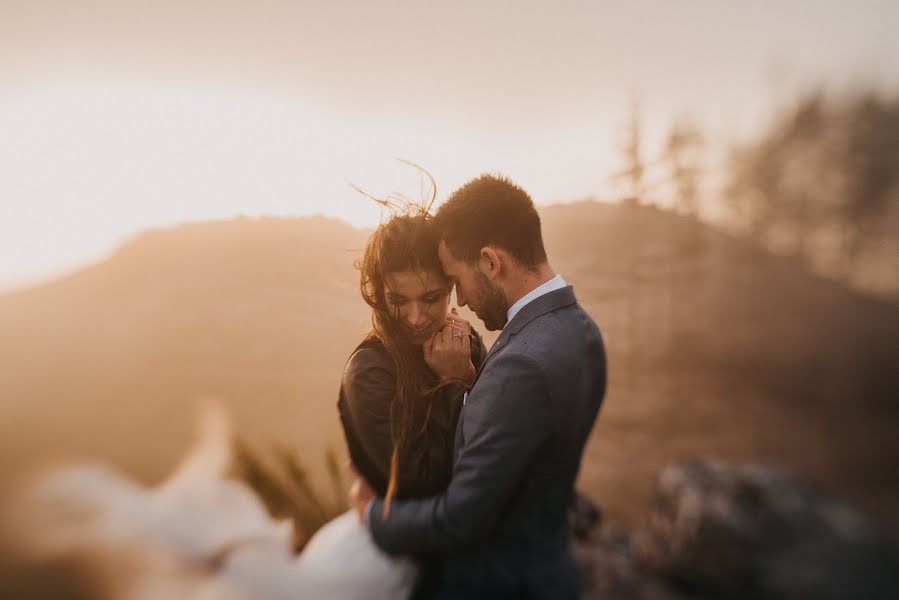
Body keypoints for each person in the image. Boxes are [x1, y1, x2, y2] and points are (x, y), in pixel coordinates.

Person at [350, 174, 607, 599]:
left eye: (456, 279)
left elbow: (459, 520)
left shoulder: (520, 363)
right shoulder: (582, 331)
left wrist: (375, 514)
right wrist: (471, 381)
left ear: (490, 262)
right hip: (551, 569)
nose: (462, 301)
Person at [297, 209, 486, 599]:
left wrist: (465, 374)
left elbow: (497, 441)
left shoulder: (465, 345)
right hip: (387, 566)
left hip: (466, 548)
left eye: (431, 298)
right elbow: (417, 488)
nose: (416, 318)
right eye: (398, 300)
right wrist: (453, 383)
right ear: (379, 294)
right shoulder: (368, 371)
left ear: (451, 287)